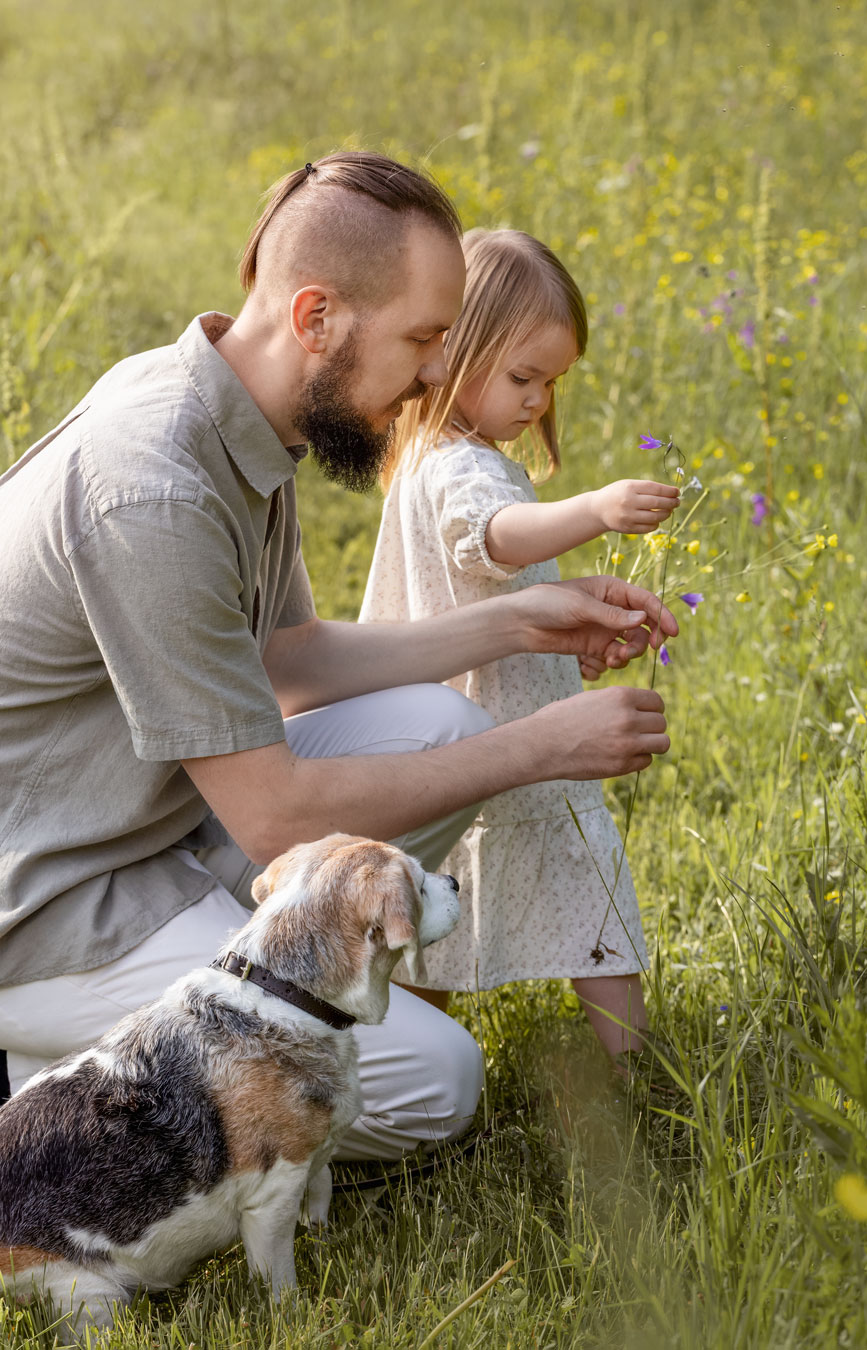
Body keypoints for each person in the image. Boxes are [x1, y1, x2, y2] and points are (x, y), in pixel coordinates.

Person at [0, 156, 676, 1155]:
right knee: (434, 1085)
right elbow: (273, 814)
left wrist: (520, 622)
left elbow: (289, 659)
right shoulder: (157, 489)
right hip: (52, 912)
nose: (439, 375)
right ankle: (45, 1099)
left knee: (440, 722)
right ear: (317, 318)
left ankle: (148, 1039)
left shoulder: (237, 419)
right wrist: (541, 746)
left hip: (145, 830)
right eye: (422, 339)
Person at [360, 228, 680, 1062]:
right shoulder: (468, 470)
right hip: (512, 746)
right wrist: (596, 508)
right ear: (457, 350)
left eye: (551, 383)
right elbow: (495, 539)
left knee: (429, 914)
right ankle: (636, 1064)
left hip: (448, 739)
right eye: (521, 377)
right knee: (591, 893)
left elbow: (488, 595)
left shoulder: (430, 456)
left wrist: (563, 644)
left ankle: (403, 1052)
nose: (537, 400)